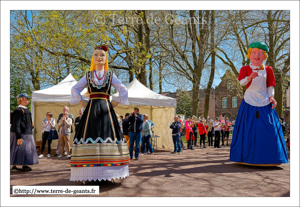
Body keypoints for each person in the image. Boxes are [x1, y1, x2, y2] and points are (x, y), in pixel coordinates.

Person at [70, 45, 130, 182]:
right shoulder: (88, 75)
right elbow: (75, 89)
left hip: (106, 110)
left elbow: (123, 89)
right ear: (93, 58)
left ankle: (107, 174)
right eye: (96, 55)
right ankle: (89, 175)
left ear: (106, 58)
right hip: (91, 110)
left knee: (106, 135)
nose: (99, 57)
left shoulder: (110, 75)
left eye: (102, 55)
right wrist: (81, 101)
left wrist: (116, 102)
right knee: (90, 134)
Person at [230, 42, 288, 166]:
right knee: (247, 130)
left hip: (264, 101)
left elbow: (270, 85)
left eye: (261, 53)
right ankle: (245, 157)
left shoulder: (268, 69)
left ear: (264, 56)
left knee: (270, 129)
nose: (257, 55)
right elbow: (241, 83)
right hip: (249, 101)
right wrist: (250, 76)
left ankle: (272, 158)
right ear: (250, 55)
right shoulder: (245, 69)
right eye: (254, 52)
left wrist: (271, 97)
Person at [10, 93, 39, 171]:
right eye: (26, 99)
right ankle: (14, 166)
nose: (28, 101)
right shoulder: (18, 110)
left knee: (27, 150)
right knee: (16, 149)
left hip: (27, 133)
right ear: (22, 99)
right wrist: (18, 137)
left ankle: (25, 165)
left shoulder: (26, 110)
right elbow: (16, 124)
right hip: (19, 133)